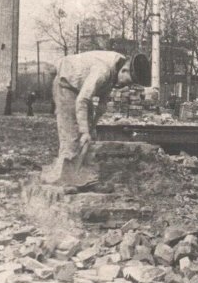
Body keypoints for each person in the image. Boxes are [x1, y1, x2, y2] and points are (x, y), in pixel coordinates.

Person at [42, 51, 133, 185]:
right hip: (66, 84)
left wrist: (93, 123)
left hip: (80, 89)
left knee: (87, 135)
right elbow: (82, 100)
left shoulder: (116, 69)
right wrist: (84, 131)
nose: (125, 86)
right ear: (124, 71)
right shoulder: (102, 71)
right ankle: (64, 180)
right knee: (72, 134)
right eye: (127, 82)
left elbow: (105, 94)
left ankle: (81, 176)